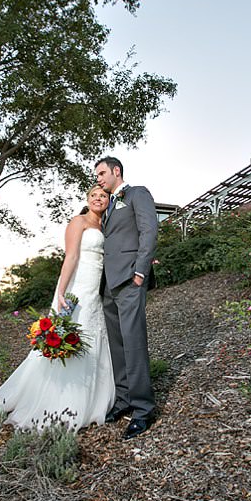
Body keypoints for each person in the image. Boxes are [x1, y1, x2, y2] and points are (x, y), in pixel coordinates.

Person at [0, 186, 115, 431]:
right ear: (87, 199)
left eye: (103, 196)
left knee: (93, 336)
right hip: (77, 289)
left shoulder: (103, 227)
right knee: (72, 335)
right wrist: (61, 292)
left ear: (108, 200)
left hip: (95, 290)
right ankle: (59, 399)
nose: (99, 199)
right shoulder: (79, 221)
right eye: (94, 195)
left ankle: (92, 399)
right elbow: (71, 257)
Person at [94, 156, 159, 440]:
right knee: (117, 348)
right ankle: (124, 401)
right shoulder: (107, 206)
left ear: (116, 171)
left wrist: (140, 273)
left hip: (130, 281)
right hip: (108, 285)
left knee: (133, 345)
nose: (98, 178)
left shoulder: (137, 194)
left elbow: (150, 231)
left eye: (101, 173)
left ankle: (143, 409)